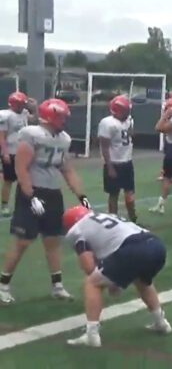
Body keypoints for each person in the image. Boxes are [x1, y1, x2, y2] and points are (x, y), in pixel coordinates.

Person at [0, 99, 91, 304]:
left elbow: (67, 169)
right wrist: (30, 196)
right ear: (51, 116)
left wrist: (83, 199)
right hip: (32, 191)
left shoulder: (64, 139)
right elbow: (21, 168)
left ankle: (57, 286)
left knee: (53, 240)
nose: (65, 120)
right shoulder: (31, 134)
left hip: (52, 194)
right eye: (62, 116)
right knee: (23, 241)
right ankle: (3, 285)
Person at [63, 206, 172, 347]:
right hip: (156, 245)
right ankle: (161, 322)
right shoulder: (103, 217)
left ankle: (92, 334)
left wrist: (111, 281)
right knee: (142, 281)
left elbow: (88, 265)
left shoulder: (78, 230)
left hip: (132, 249)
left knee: (92, 283)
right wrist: (114, 278)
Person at [98, 95, 137, 222]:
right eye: (126, 110)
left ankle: (133, 219)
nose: (128, 112)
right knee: (113, 194)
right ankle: (114, 221)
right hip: (114, 162)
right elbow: (104, 147)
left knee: (130, 193)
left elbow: (131, 136)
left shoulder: (129, 120)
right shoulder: (107, 123)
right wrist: (109, 167)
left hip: (127, 161)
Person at [0, 92, 38, 216]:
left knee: (26, 178)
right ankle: (4, 205)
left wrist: (36, 108)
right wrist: (5, 153)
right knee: (9, 180)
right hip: (10, 151)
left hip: (23, 151)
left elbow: (35, 120)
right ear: (14, 104)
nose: (23, 106)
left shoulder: (24, 113)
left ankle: (24, 203)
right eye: (21, 104)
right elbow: (2, 136)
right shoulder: (5, 115)